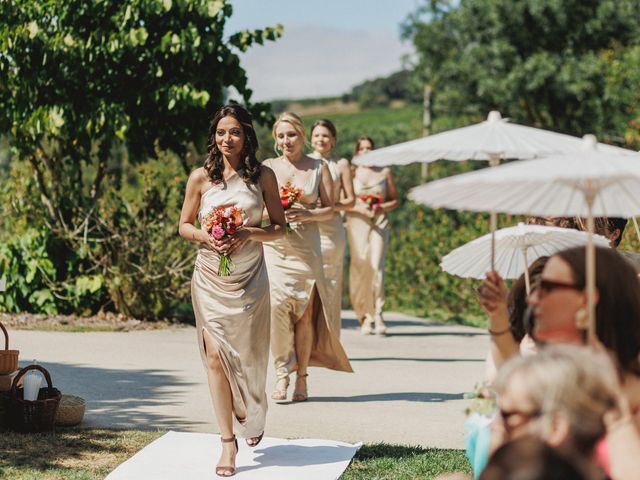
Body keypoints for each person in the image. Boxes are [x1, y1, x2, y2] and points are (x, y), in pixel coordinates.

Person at [178, 104, 286, 477]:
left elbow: (279, 229)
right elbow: (184, 225)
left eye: (235, 132)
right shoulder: (199, 178)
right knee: (214, 357)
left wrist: (247, 233)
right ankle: (227, 442)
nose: (228, 139)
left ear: (247, 137)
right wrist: (207, 236)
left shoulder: (264, 177)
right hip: (209, 277)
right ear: (214, 136)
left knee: (250, 358)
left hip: (251, 279)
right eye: (222, 132)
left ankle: (251, 414)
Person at [263, 112, 353, 403]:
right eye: (281, 136)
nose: (286, 141)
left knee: (303, 315)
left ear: (302, 136)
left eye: (291, 135)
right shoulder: (267, 168)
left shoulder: (318, 167)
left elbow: (330, 208)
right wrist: (273, 215)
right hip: (276, 248)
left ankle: (302, 377)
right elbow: (257, 206)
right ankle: (281, 374)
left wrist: (307, 213)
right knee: (276, 307)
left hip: (307, 249)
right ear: (275, 139)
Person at [345, 136, 399, 335]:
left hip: (379, 221)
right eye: (362, 148)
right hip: (356, 221)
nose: (366, 151)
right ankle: (364, 315)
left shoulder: (384, 172)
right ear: (357, 151)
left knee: (377, 266)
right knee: (361, 265)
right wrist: (360, 207)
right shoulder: (351, 172)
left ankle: (378, 313)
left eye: (370, 148)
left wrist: (380, 207)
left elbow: (395, 200)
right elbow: (344, 200)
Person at [309, 119, 355, 338]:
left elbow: (351, 200)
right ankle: (308, 338)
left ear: (333, 140)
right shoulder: (305, 163)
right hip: (308, 227)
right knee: (309, 282)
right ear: (310, 139)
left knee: (331, 283)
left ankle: (331, 338)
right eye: (317, 135)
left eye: (325, 135)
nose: (321, 139)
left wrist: (330, 206)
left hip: (332, 229)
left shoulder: (342, 164)